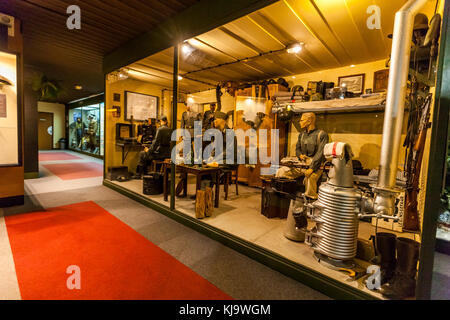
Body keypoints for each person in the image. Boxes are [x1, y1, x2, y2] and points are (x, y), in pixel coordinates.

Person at [275, 112, 328, 199]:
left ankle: (310, 200)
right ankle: (284, 196)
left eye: (302, 120)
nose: (300, 122)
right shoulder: (302, 135)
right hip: (301, 164)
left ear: (309, 121)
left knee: (310, 178)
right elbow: (297, 149)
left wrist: (311, 168)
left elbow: (320, 153)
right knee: (281, 172)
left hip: (315, 165)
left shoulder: (321, 135)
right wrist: (300, 156)